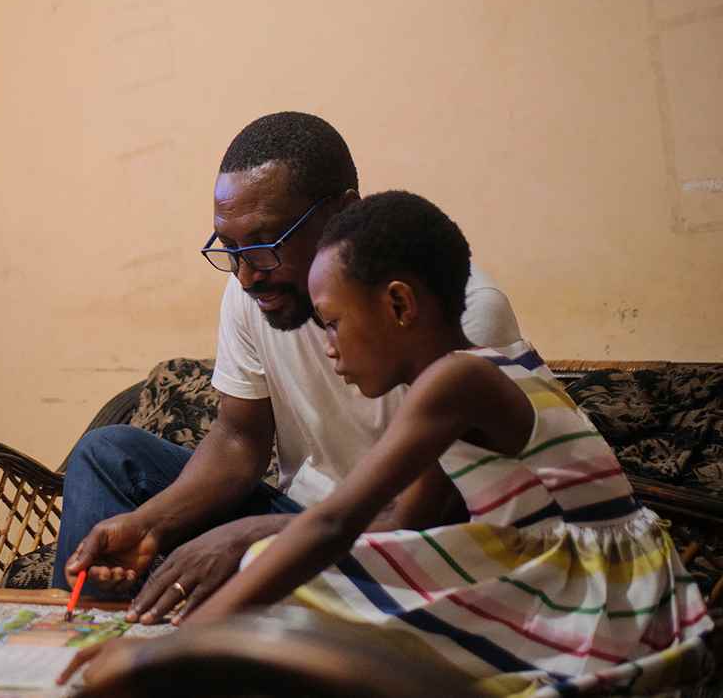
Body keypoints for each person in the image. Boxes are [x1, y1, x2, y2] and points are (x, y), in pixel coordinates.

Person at [63, 192, 713, 696]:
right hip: (542, 574)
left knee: (287, 579)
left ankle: (167, 666)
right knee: (295, 580)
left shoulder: (456, 379)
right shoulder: (470, 376)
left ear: (400, 304)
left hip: (591, 604)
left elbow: (336, 521)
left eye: (336, 322)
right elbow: (403, 519)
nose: (328, 345)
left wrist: (171, 647)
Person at [56, 112, 524, 626]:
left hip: (413, 544)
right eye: (229, 249)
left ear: (344, 213)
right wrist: (149, 527)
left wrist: (246, 537)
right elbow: (239, 440)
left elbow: (418, 515)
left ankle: (169, 654)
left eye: (265, 242)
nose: (247, 273)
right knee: (108, 452)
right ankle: (83, 640)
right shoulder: (249, 290)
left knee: (256, 562)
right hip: (303, 518)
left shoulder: (454, 312)